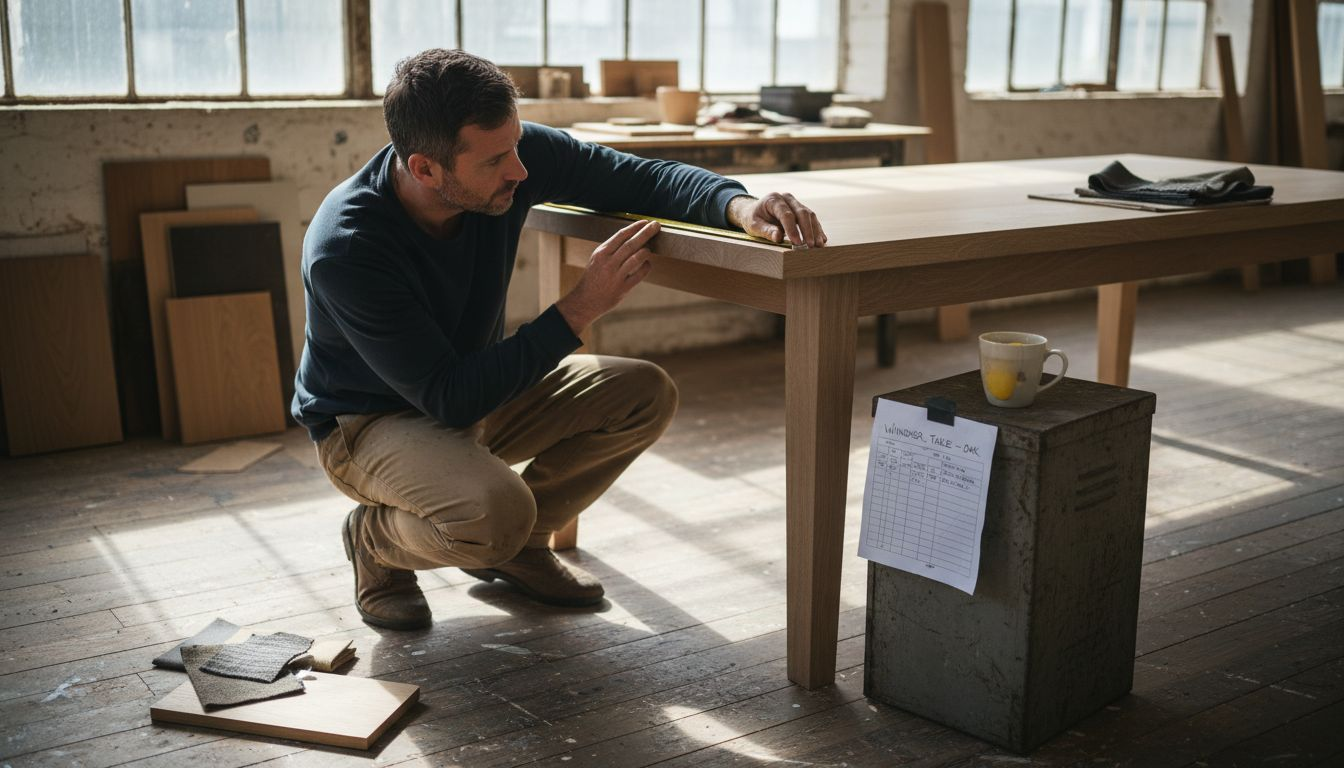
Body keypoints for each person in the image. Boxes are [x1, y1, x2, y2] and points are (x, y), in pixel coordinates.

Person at [294, 48, 827, 630]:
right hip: (369, 424)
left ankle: (520, 548)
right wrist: (580, 306)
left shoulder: (510, 158)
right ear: (425, 169)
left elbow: (641, 177)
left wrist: (739, 205)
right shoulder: (349, 246)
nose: (520, 172)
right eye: (497, 160)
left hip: (468, 386)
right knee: (494, 514)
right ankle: (376, 541)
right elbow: (451, 398)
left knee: (642, 393)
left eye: (517, 146)